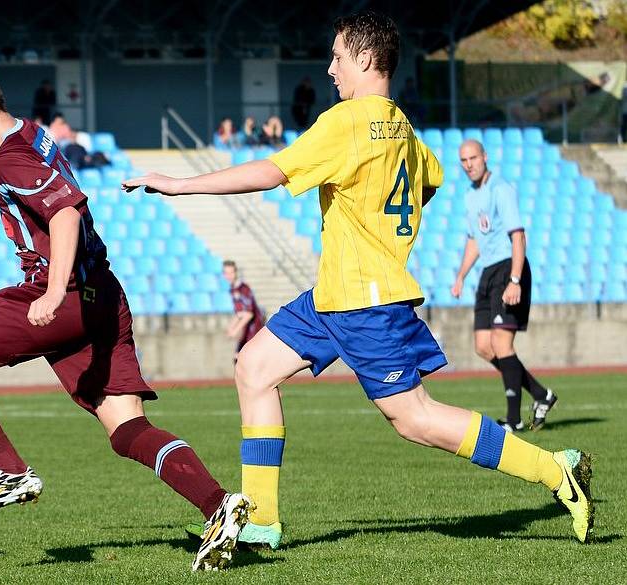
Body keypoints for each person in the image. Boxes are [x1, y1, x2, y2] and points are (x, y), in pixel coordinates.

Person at [123, 10, 594, 550]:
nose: (330, 69)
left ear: (366, 59)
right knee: (254, 368)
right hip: (334, 294)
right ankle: (261, 520)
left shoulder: (345, 122)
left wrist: (180, 186)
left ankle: (555, 471)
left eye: (338, 57)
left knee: (415, 420)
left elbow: (271, 173)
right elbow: (431, 181)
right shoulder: (403, 125)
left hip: (364, 300)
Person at [0, 55, 248, 572]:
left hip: (58, 293)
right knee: (127, 429)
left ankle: (8, 469)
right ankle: (218, 505)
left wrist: (53, 290)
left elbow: (65, 212)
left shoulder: (13, 156)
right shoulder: (28, 137)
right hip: (104, 299)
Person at [451, 140, 557, 432]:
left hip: (509, 268)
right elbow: (474, 240)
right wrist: (461, 275)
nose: (469, 164)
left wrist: (514, 279)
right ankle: (541, 395)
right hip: (487, 272)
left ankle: (513, 420)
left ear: (485, 157)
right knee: (484, 347)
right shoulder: (470, 197)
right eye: (463, 160)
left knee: (501, 343)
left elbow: (518, 236)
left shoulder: (501, 188)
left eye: (473, 157)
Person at [222, 260, 264, 362]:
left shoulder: (244, 289)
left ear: (236, 273)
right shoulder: (232, 290)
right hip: (247, 329)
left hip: (254, 328)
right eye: (226, 273)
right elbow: (239, 313)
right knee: (238, 359)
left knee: (243, 360)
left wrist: (235, 331)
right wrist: (230, 327)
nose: (229, 276)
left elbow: (248, 314)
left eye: (231, 272)